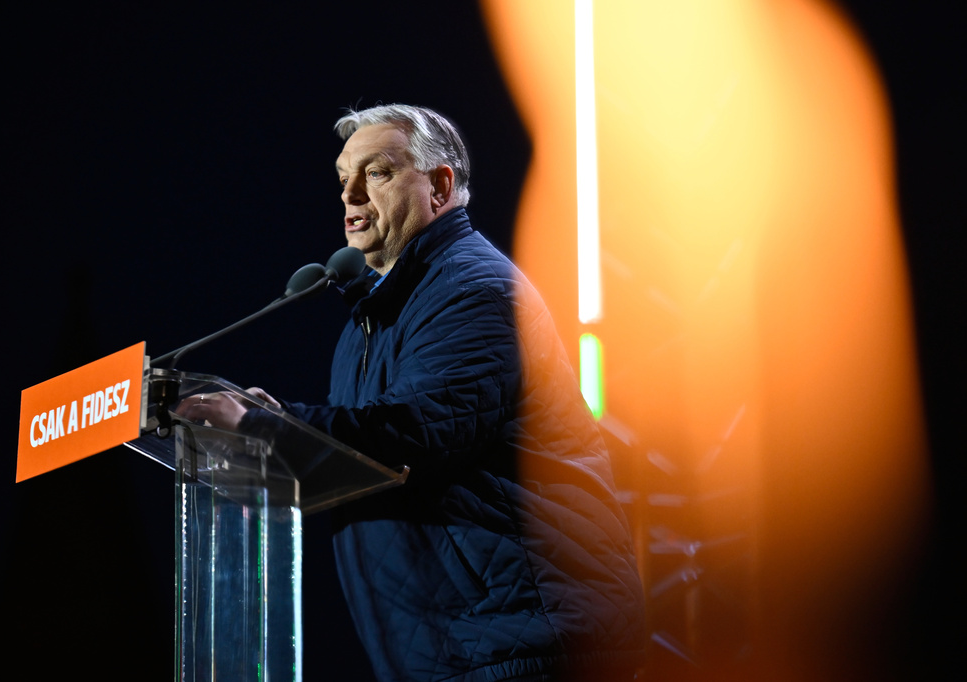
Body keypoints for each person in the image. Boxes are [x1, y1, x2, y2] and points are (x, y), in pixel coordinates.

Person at [179, 104, 645, 681]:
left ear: (440, 186)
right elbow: (366, 449)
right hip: (452, 655)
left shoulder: (476, 290)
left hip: (526, 644)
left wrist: (261, 430)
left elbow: (414, 433)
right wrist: (278, 426)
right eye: (343, 178)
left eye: (376, 172)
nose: (350, 195)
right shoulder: (369, 324)